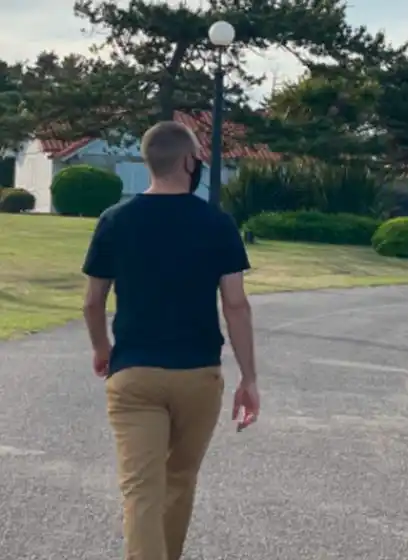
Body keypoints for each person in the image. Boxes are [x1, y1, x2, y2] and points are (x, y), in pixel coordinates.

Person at [81, 121, 260, 560]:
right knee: (179, 481)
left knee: (141, 489)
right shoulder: (217, 223)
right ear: (188, 161)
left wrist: (102, 349)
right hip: (198, 373)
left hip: (135, 373)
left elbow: (92, 302)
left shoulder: (114, 221)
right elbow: (235, 305)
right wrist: (249, 378)